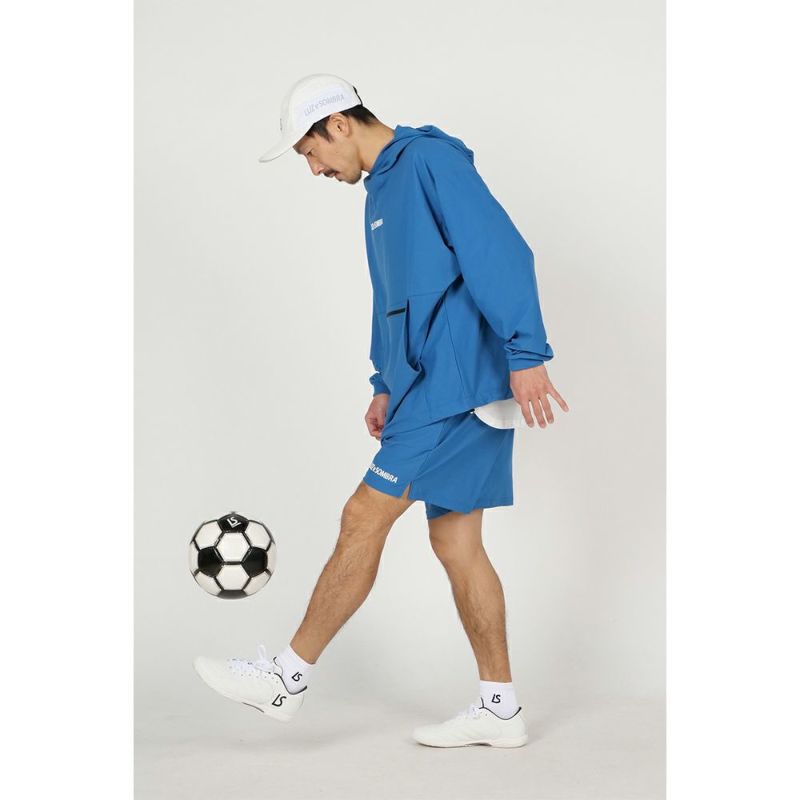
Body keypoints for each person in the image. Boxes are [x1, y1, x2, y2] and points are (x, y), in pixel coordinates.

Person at [194, 73, 569, 748]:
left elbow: (499, 250)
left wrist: (526, 351)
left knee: (362, 516)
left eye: (311, 152)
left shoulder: (428, 161)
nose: (314, 169)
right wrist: (384, 382)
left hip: (457, 383)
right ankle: (500, 708)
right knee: (457, 544)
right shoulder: (381, 189)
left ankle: (286, 678)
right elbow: (393, 296)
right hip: (429, 386)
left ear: (338, 124)